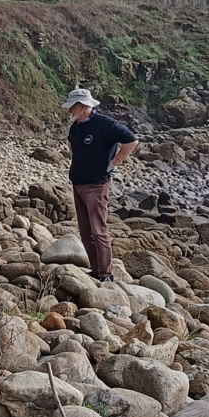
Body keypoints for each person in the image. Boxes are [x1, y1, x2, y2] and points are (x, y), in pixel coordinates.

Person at [63, 86, 137, 280]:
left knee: (98, 230)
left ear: (83, 106)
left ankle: (106, 273)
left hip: (96, 183)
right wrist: (76, 160)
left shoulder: (105, 124)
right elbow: (70, 143)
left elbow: (131, 141)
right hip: (78, 182)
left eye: (72, 108)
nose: (70, 112)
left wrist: (113, 163)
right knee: (85, 230)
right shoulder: (76, 127)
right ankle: (95, 270)